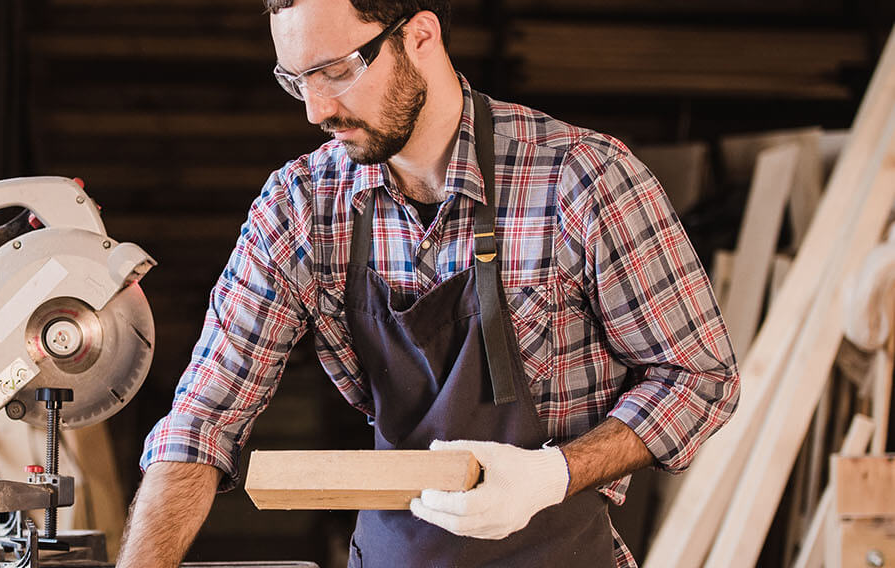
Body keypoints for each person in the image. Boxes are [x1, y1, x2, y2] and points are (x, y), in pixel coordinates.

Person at [115, 0, 740, 566]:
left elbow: (699, 379)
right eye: (296, 80)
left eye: (336, 70)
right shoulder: (303, 208)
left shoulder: (584, 180)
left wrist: (553, 474)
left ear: (419, 35)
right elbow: (202, 419)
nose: (316, 110)